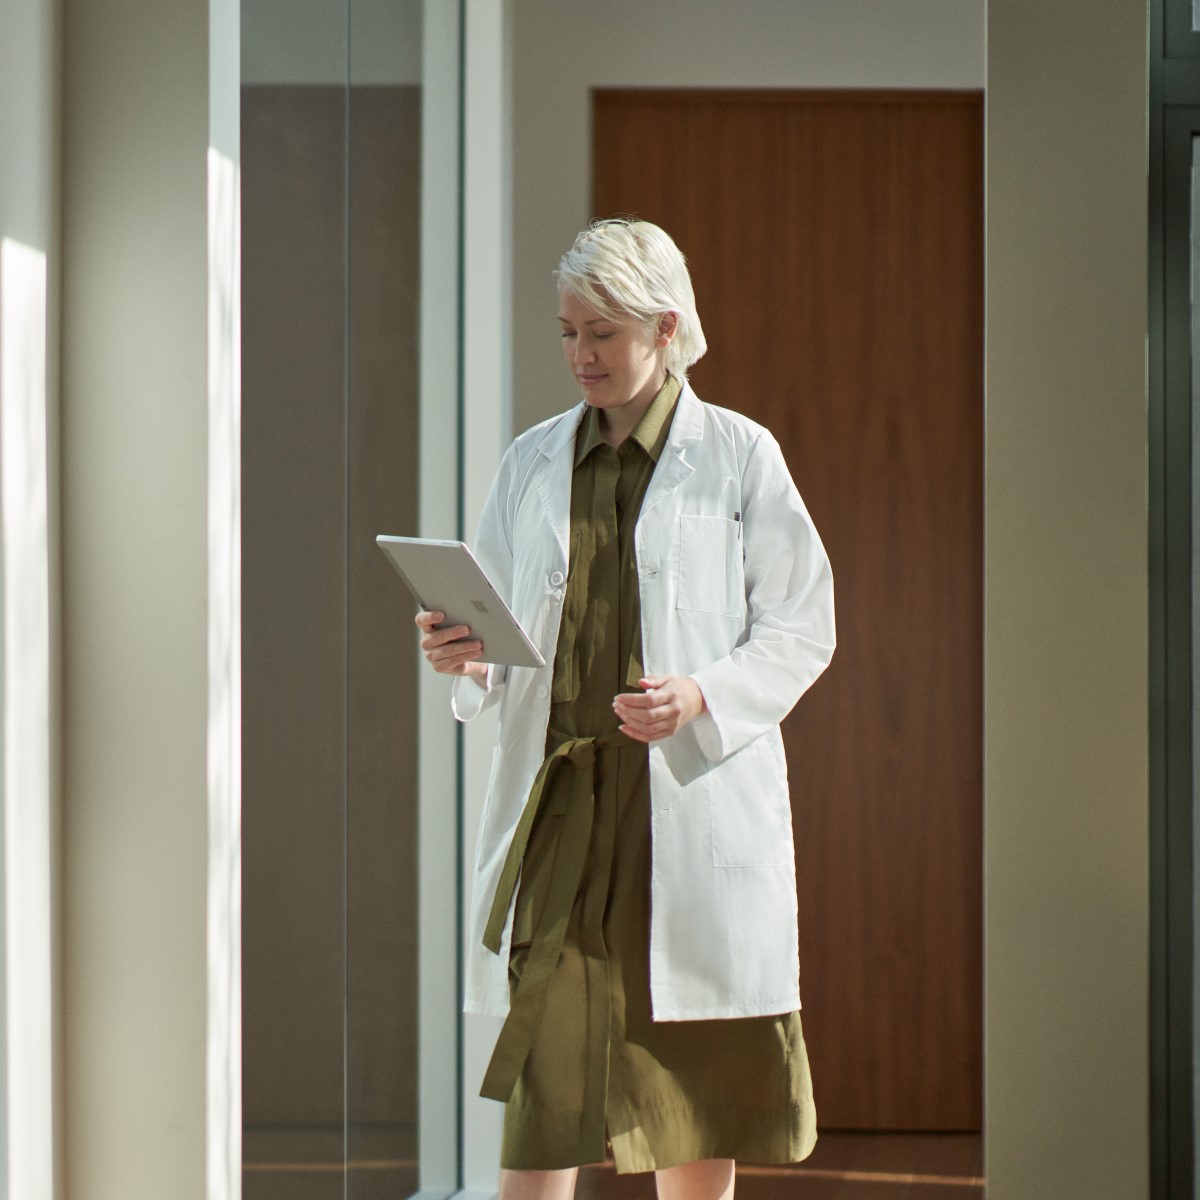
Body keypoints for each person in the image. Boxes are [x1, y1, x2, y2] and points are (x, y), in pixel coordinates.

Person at [416, 218, 835, 1200]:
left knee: (687, 1102)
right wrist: (462, 657)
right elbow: (500, 634)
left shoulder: (738, 457)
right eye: (568, 332)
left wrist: (702, 696)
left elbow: (803, 628)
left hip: (680, 813)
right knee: (544, 1101)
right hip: (564, 818)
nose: (580, 355)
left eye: (601, 332)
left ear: (666, 326)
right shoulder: (530, 461)